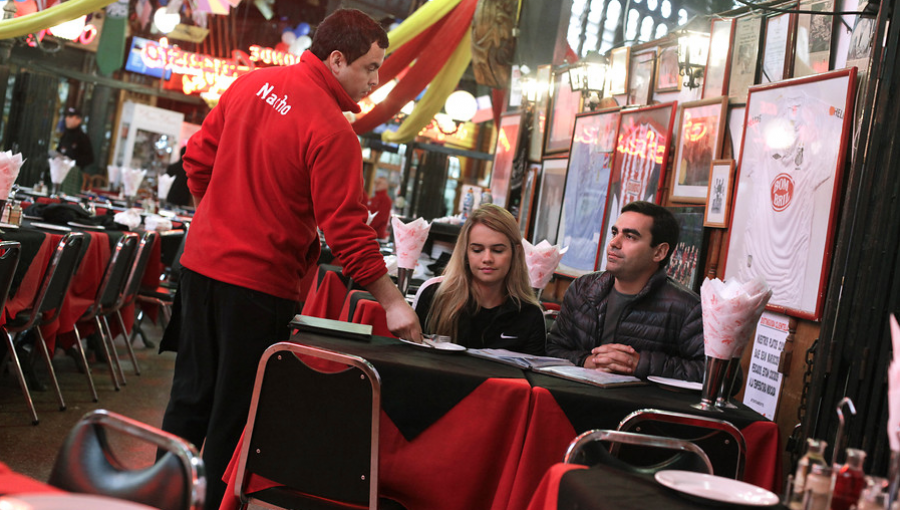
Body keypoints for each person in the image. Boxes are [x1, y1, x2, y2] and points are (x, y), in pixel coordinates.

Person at [159, 9, 422, 510]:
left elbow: (197, 160)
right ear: (338, 59)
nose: (375, 80)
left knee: (188, 401)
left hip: (199, 268)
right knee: (234, 420)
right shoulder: (333, 131)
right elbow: (346, 230)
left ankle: (161, 498)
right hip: (258, 288)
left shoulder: (250, 84)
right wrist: (392, 300)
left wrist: (216, 218)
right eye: (371, 67)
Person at [546, 201, 704, 381]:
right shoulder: (583, 288)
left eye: (630, 236)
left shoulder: (687, 307)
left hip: (639, 406)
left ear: (659, 252)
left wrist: (640, 365)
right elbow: (552, 349)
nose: (614, 243)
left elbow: (716, 375)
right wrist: (586, 361)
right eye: (615, 233)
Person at [413, 204, 546, 355]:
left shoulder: (530, 314)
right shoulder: (434, 293)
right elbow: (412, 359)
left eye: (498, 250)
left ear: (516, 252)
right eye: (477, 250)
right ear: (465, 252)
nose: (487, 259)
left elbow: (531, 376)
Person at [56, 107, 94, 196]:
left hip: (73, 176)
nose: (67, 119)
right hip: (60, 173)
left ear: (78, 120)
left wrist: (74, 162)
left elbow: (90, 158)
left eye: (71, 117)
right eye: (67, 116)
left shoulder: (83, 138)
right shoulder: (65, 135)